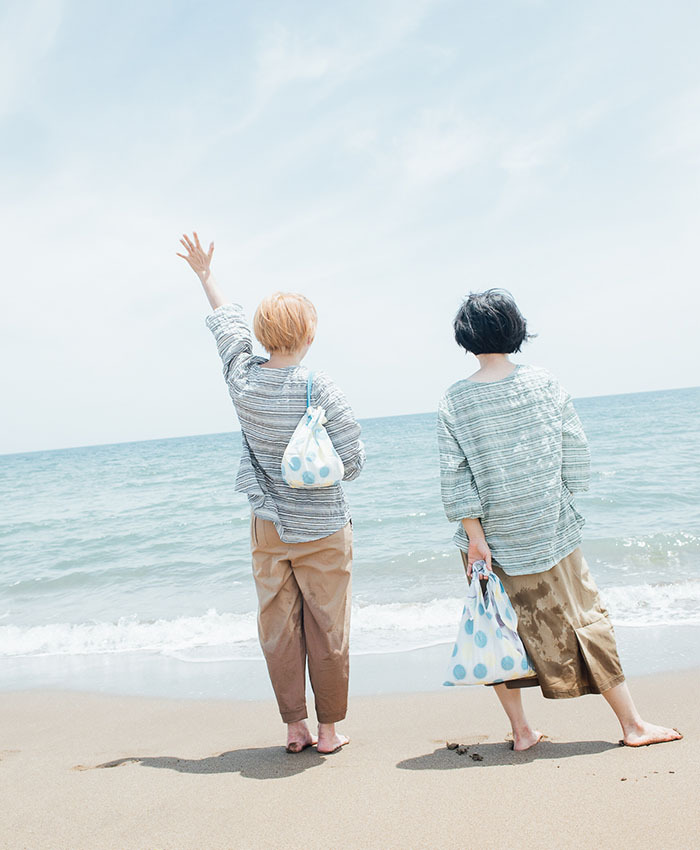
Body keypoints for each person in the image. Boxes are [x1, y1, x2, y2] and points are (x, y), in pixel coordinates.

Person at [437, 289, 682, 751]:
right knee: (587, 616)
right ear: (515, 329)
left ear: (465, 338)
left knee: (497, 630)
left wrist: (475, 538)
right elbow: (574, 448)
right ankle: (631, 724)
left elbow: (456, 475)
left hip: (487, 538)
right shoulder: (544, 382)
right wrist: (562, 500)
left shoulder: (455, 400)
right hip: (551, 526)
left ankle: (522, 732)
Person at [177, 232, 365, 754]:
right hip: (323, 526)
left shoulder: (243, 380)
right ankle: (329, 732)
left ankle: (294, 728)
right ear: (308, 333)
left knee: (279, 629)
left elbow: (226, 328)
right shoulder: (321, 387)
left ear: (262, 335)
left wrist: (205, 275)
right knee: (328, 627)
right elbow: (352, 464)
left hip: (267, 526)